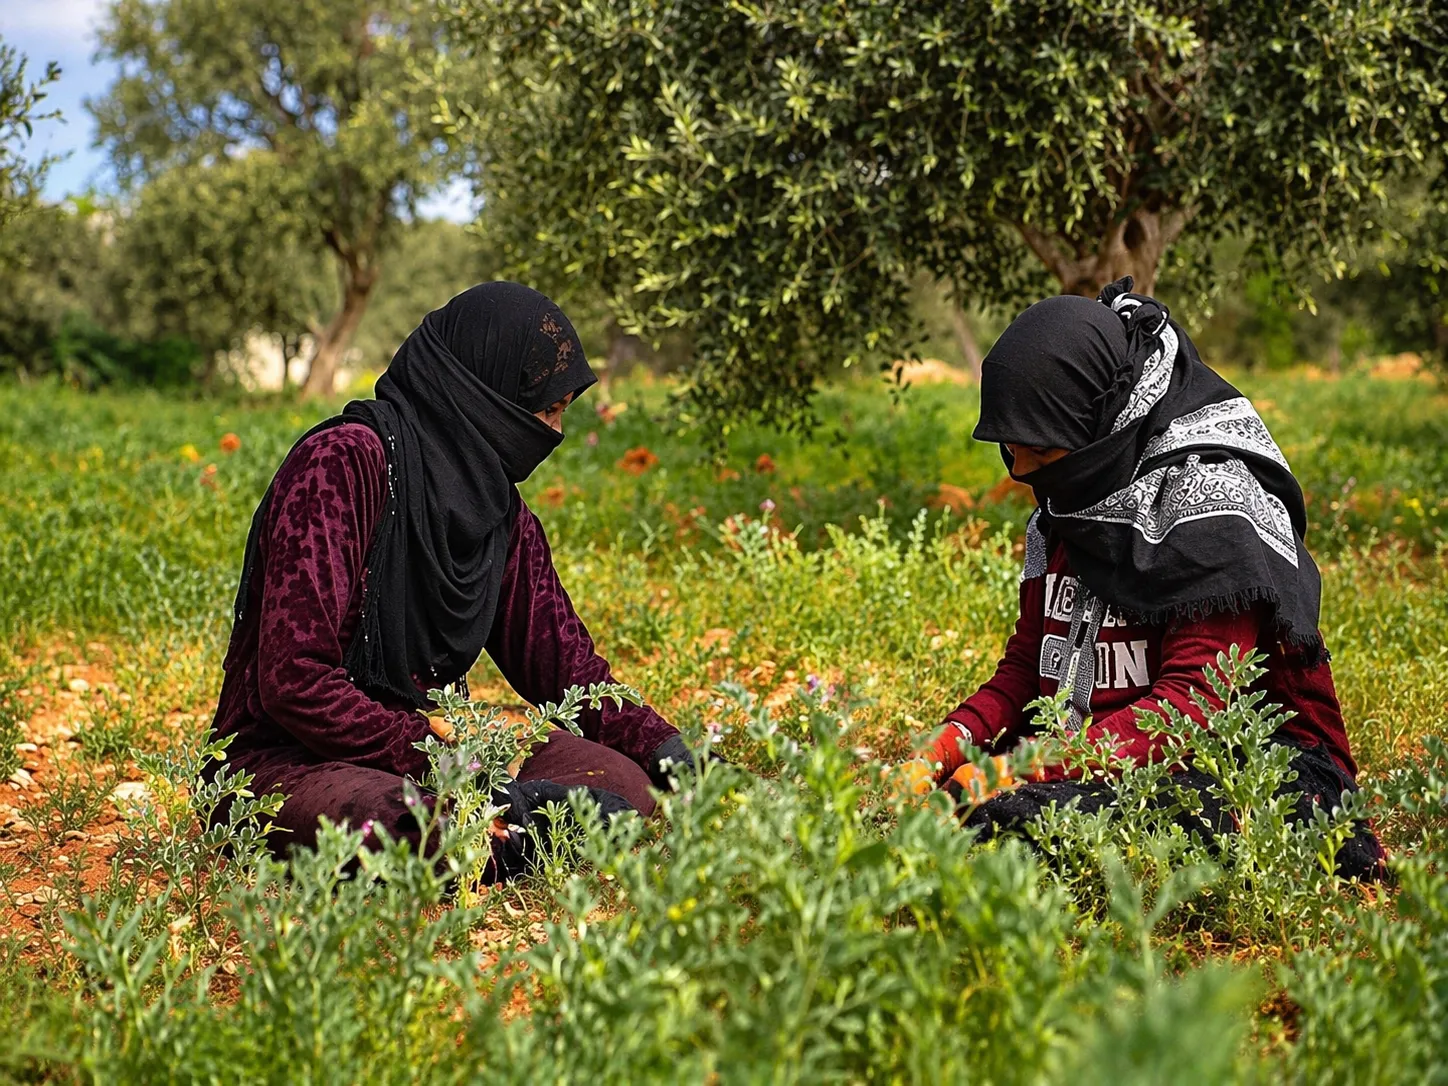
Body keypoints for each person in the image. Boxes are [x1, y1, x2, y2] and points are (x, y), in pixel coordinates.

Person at [211, 282, 699, 881]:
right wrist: (443, 762)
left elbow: (568, 667)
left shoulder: (502, 517)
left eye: (560, 412)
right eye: (543, 411)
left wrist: (669, 750)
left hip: (436, 755)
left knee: (629, 783)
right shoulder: (342, 466)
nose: (553, 433)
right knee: (402, 824)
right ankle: (505, 825)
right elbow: (295, 681)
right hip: (285, 760)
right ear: (479, 393)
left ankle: (506, 823)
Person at [901, 279, 1384, 880]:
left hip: (1225, 762)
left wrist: (1018, 769)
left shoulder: (1210, 509)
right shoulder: (1067, 509)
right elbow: (1029, 665)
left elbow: (1192, 706)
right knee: (971, 816)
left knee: (1011, 827)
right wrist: (951, 741)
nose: (1023, 473)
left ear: (1100, 425)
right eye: (1011, 451)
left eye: (1042, 455)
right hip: (1092, 757)